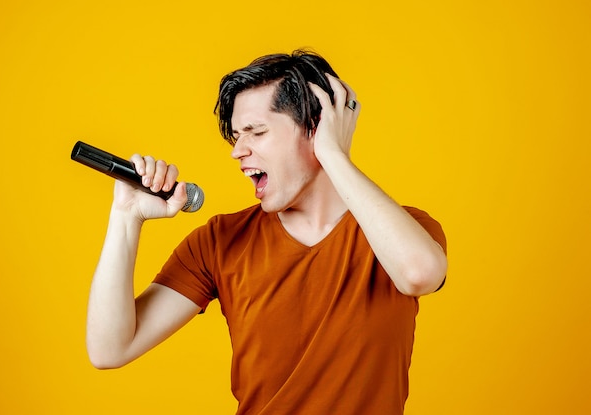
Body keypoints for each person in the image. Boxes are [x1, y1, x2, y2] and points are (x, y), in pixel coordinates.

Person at [86, 49, 448, 414]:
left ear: (316, 127)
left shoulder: (405, 230)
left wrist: (334, 154)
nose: (237, 151)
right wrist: (125, 215)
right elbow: (109, 349)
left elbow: (419, 274)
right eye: (236, 136)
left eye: (256, 132)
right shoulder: (219, 241)